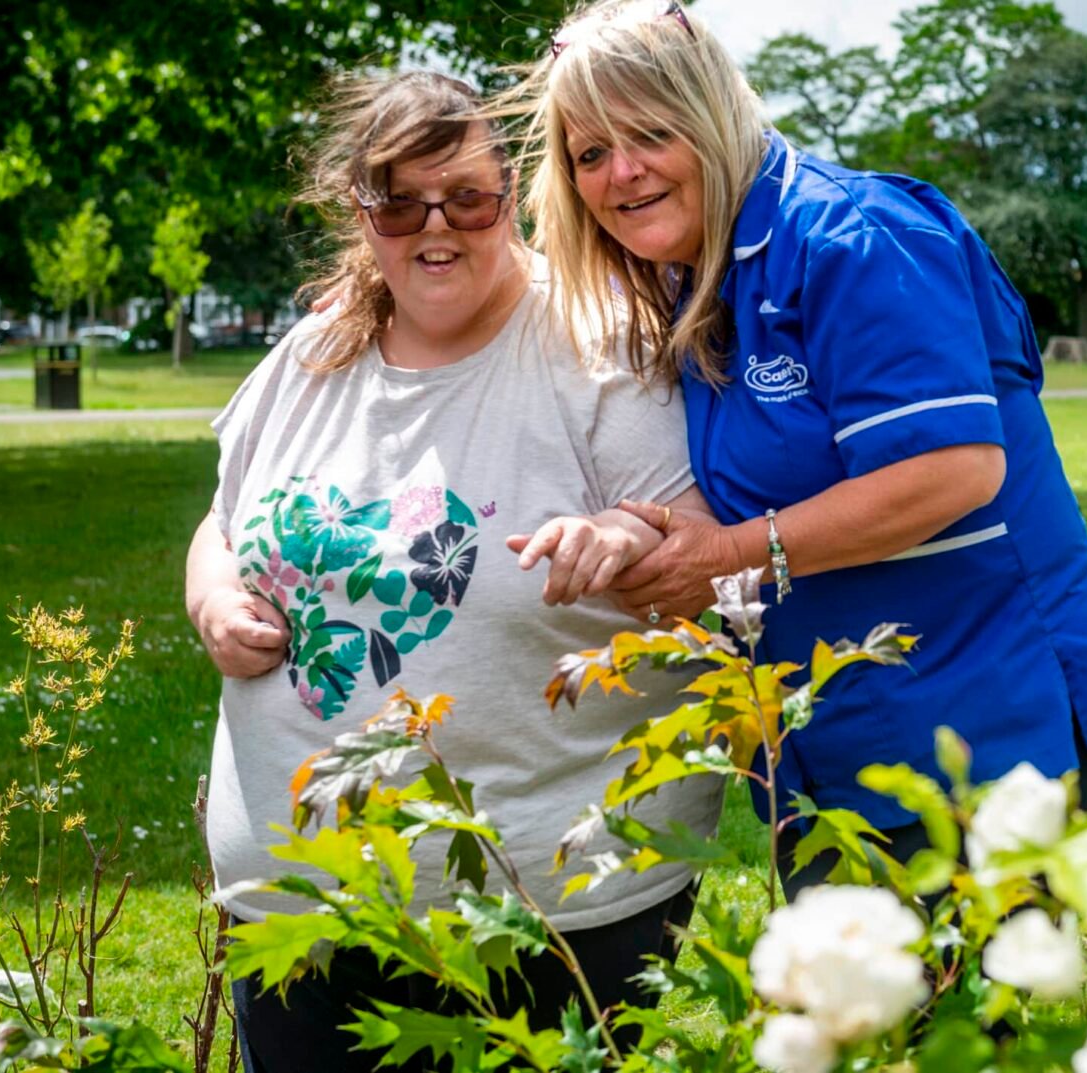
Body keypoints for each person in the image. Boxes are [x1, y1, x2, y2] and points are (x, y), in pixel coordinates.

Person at [514, 0, 1087, 894]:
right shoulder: (704, 272)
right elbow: (761, 475)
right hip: (857, 729)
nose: (621, 172)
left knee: (932, 1026)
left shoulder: (852, 238)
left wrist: (729, 561)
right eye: (590, 153)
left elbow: (954, 468)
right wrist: (645, 534)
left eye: (649, 134)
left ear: (710, 116)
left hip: (988, 717)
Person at [182, 70, 721, 1071]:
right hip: (297, 909)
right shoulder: (312, 354)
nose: (436, 228)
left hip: (548, 918)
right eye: (399, 201)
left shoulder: (597, 347)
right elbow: (222, 520)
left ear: (510, 197)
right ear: (359, 210)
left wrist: (625, 541)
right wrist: (214, 595)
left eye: (466, 197)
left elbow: (701, 552)